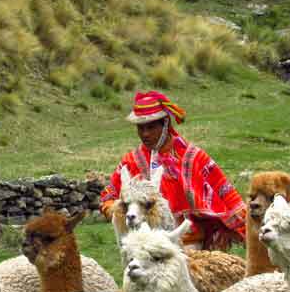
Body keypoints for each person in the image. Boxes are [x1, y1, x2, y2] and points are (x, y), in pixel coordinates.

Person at [100, 90, 247, 250]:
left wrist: (244, 223)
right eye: (140, 128)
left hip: (189, 243)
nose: (145, 134)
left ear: (165, 125)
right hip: (145, 246)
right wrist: (115, 210)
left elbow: (223, 192)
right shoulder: (131, 162)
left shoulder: (193, 157)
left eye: (151, 127)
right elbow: (108, 196)